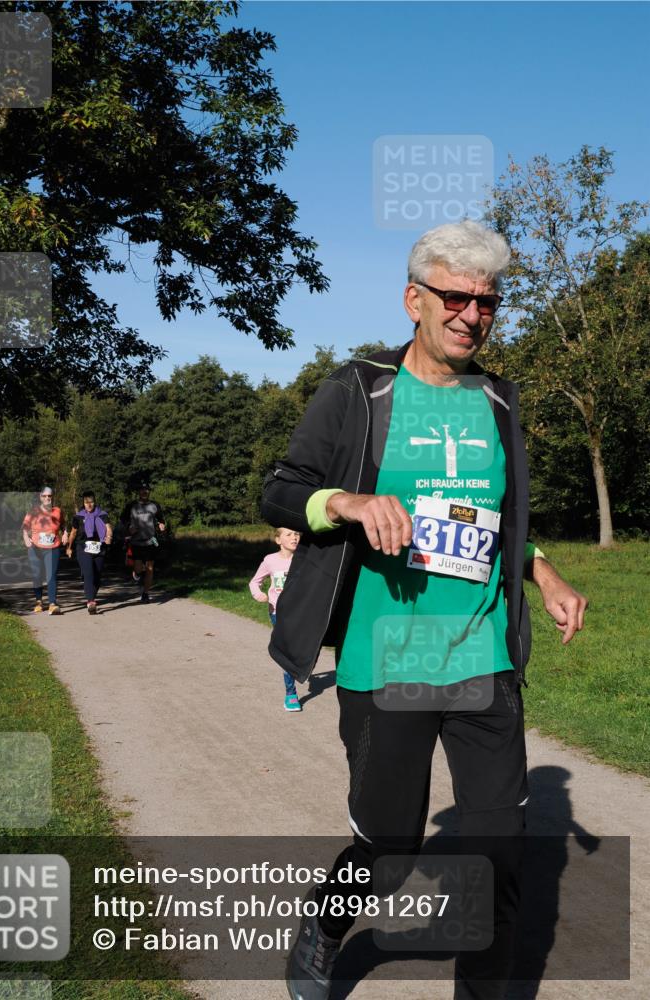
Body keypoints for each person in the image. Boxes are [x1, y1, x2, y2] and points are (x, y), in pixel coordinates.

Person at [261, 220, 588, 1000]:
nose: (473, 315)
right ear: (416, 299)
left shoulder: (500, 400)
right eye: (455, 298)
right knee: (391, 851)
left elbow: (499, 516)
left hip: (484, 657)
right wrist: (344, 500)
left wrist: (543, 573)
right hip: (385, 660)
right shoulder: (358, 390)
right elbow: (280, 488)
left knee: (497, 852)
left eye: (488, 303)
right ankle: (328, 926)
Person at [249, 527, 303, 711]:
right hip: (277, 612)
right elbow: (254, 582)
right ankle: (291, 694)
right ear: (278, 540)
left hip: (300, 613)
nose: (294, 537)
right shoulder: (270, 560)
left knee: (298, 650)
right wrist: (258, 594)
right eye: (289, 534)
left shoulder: (303, 559)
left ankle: (298, 667)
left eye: (296, 534)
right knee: (287, 652)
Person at [22, 487, 67, 615]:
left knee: (51, 575)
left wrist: (65, 533)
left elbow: (63, 524)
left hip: (53, 548)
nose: (47, 498)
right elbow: (25, 527)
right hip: (35, 548)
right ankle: (38, 602)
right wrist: (26, 537)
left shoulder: (58, 511)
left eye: (50, 496)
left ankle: (52, 604)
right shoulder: (33, 511)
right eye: (45, 496)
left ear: (52, 497)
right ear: (41, 497)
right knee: (37, 575)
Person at [66, 491, 113, 614]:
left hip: (99, 547)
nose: (89, 505)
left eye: (91, 502)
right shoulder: (78, 516)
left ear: (94, 502)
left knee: (97, 576)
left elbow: (108, 528)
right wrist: (69, 547)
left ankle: (91, 594)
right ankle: (91, 601)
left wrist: (109, 537)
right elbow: (73, 533)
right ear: (83, 503)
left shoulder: (103, 514)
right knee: (89, 573)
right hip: (83, 547)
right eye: (86, 502)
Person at [120, 481, 166, 604]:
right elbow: (123, 519)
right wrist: (129, 526)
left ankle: (145, 594)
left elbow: (161, 519)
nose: (144, 492)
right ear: (138, 492)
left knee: (150, 568)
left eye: (146, 490)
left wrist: (161, 525)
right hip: (136, 542)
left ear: (149, 492)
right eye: (142, 490)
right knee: (139, 567)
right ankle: (137, 572)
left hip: (151, 541)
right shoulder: (132, 505)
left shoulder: (155, 505)